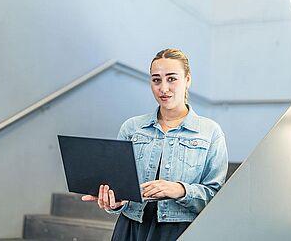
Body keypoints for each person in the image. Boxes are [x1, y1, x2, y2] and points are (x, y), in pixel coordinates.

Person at [82, 48, 228, 240]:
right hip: (131, 229)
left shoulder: (210, 132)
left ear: (188, 80)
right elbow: (120, 188)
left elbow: (217, 197)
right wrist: (113, 202)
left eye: (172, 78)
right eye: (156, 80)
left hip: (181, 231)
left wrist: (180, 190)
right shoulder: (132, 128)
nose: (163, 88)